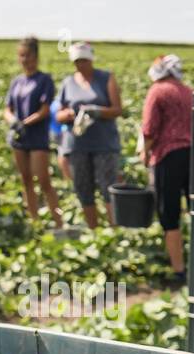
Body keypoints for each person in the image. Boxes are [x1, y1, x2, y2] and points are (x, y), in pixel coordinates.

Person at [57, 41, 123, 227]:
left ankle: (113, 229)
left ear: (91, 59)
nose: (81, 64)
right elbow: (59, 113)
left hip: (103, 143)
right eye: (77, 61)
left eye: (84, 60)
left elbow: (117, 109)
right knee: (83, 187)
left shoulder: (106, 78)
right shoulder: (68, 83)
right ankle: (93, 230)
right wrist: (68, 115)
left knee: (107, 186)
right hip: (77, 144)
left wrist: (98, 111)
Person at [140, 54, 193, 284]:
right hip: (193, 155)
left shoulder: (157, 91)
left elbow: (149, 130)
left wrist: (144, 153)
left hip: (167, 157)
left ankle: (179, 271)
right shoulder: (188, 91)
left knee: (169, 215)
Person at [4, 36, 63, 227]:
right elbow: (7, 108)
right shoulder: (16, 82)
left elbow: (45, 110)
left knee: (43, 180)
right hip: (19, 138)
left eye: (27, 55)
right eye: (21, 56)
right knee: (26, 180)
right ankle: (34, 221)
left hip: (37, 137)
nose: (24, 59)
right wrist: (13, 121)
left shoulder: (44, 80)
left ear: (36, 56)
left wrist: (26, 122)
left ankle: (59, 222)